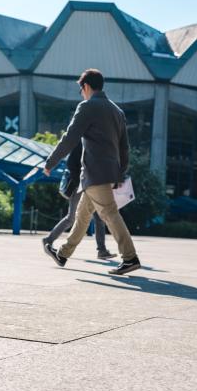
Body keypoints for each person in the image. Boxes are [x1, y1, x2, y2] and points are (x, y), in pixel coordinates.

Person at [42, 68, 140, 275]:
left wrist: (50, 162)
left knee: (109, 213)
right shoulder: (117, 111)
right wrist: (120, 173)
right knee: (82, 215)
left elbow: (70, 138)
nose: (81, 94)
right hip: (105, 173)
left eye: (81, 90)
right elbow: (125, 147)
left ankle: (130, 257)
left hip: (96, 173)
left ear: (86, 86)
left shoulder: (87, 107)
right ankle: (63, 254)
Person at [44, 140, 116, 260]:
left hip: (89, 184)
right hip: (79, 186)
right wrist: (80, 183)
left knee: (99, 217)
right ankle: (48, 239)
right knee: (71, 217)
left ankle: (102, 250)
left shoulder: (92, 141)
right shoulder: (81, 141)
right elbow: (71, 163)